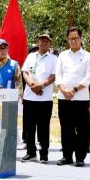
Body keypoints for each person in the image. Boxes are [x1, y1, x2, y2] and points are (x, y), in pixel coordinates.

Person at [55, 27, 90, 166]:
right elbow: (58, 76)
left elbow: (88, 77)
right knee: (66, 128)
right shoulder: (62, 55)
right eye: (71, 38)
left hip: (81, 98)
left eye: (76, 38)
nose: (74, 40)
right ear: (67, 40)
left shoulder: (88, 56)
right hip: (64, 97)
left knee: (82, 129)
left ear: (81, 38)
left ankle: (80, 157)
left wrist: (74, 89)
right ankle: (67, 156)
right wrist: (64, 90)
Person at [20, 33, 57, 163]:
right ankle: (30, 152)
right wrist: (31, 85)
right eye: (42, 40)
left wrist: (41, 85)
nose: (44, 42)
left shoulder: (53, 58)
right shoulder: (31, 56)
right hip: (29, 97)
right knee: (29, 127)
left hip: (45, 98)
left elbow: (54, 76)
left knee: (43, 127)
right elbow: (25, 72)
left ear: (50, 44)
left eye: (47, 41)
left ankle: (44, 153)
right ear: (38, 42)